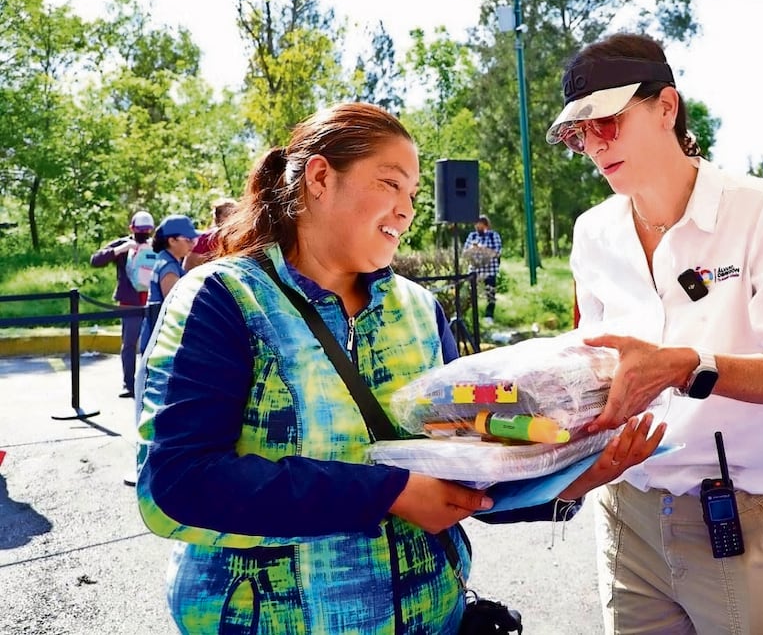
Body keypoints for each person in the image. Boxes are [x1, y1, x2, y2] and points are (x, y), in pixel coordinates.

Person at [133, 102, 663, 634]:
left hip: (435, 618)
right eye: (390, 184)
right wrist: (388, 492)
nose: (407, 211)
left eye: (412, 195)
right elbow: (175, 488)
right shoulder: (225, 299)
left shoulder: (418, 310)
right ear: (320, 177)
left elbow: (464, 471)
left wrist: (573, 478)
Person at [547, 33, 763, 634]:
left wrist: (684, 364)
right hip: (628, 510)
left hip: (744, 513)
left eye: (608, 122)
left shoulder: (761, 208)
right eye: (579, 134)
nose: (594, 145)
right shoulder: (592, 232)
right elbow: (592, 364)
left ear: (667, 108)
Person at [89, 210, 155, 398]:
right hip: (129, 302)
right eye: (140, 231)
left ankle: (149, 383)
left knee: (152, 343)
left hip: (153, 302)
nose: (143, 235)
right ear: (131, 229)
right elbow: (96, 260)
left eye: (146, 231)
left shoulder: (155, 245)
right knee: (129, 344)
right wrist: (120, 250)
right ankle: (129, 384)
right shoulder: (123, 244)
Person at [137, 214, 199, 354]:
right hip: (160, 341)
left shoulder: (168, 260)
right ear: (172, 240)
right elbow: (175, 303)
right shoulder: (168, 267)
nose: (192, 244)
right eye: (188, 240)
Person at [462, 215, 502, 325]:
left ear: (486, 225)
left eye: (479, 224)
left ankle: (489, 316)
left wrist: (482, 249)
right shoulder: (472, 236)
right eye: (476, 224)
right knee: (471, 294)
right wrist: (472, 249)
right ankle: (472, 317)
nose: (477, 227)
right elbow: (464, 253)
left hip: (490, 270)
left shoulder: (493, 236)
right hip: (474, 271)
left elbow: (497, 252)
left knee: (490, 293)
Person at [183, 196, 238, 272]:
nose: (233, 217)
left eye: (235, 213)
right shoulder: (207, 238)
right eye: (227, 215)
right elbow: (189, 264)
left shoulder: (240, 237)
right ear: (218, 217)